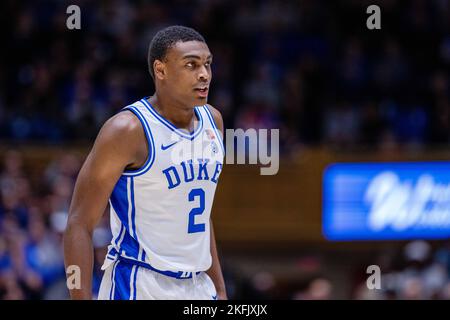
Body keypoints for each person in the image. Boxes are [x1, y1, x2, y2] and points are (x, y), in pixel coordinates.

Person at [63, 25, 227, 300]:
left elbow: (201, 215)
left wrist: (220, 289)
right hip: (139, 284)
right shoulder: (126, 130)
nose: (204, 74)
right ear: (160, 70)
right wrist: (80, 296)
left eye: (208, 64)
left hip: (198, 288)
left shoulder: (214, 121)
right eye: (191, 65)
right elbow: (79, 223)